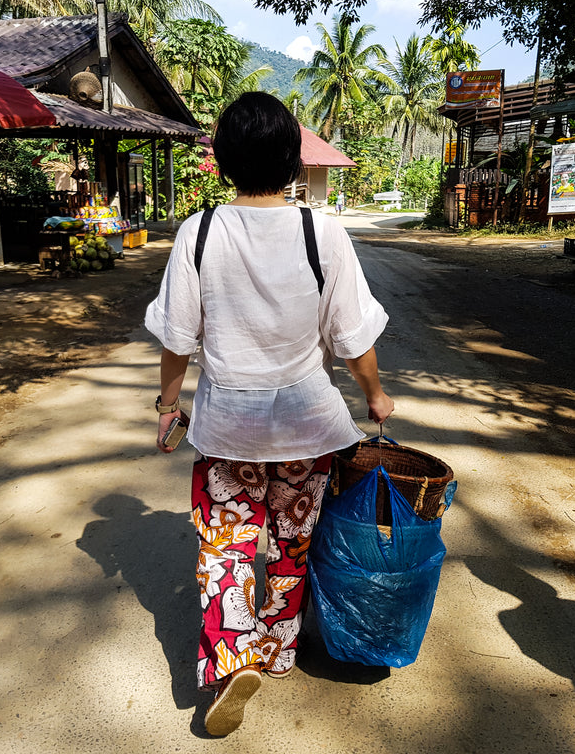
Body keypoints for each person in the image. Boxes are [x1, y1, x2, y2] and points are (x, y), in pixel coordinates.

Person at [144, 91, 393, 737]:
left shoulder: (198, 233)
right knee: (291, 544)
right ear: (291, 159)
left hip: (228, 428)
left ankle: (234, 658)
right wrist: (374, 395)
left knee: (225, 550)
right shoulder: (322, 230)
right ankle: (279, 648)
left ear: (224, 160)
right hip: (307, 427)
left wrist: (169, 406)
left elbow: (177, 339)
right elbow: (351, 338)